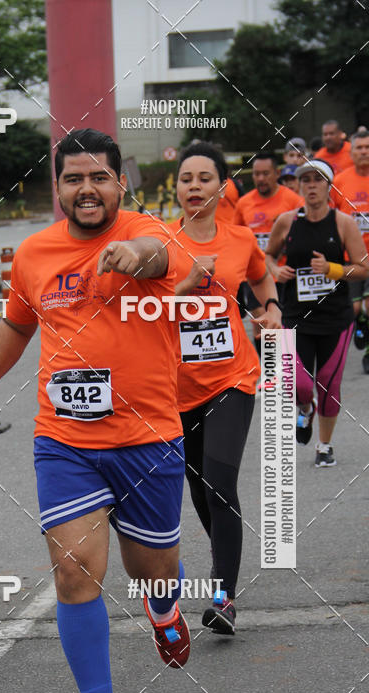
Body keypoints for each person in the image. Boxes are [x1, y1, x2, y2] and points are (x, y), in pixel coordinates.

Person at [0, 129, 188, 693]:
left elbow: (153, 256)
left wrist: (127, 257)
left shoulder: (156, 232)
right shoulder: (35, 252)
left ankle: (164, 609)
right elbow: (17, 323)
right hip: (65, 442)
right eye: (72, 179)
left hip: (147, 440)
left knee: (151, 571)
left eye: (99, 178)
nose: (86, 189)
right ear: (56, 187)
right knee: (72, 571)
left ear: (122, 183)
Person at [167, 142, 282, 637]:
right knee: (198, 488)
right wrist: (183, 286)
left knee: (219, 481)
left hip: (233, 377)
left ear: (221, 187)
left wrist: (272, 306)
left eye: (204, 178)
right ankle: (225, 563)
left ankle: (223, 597)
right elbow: (139, 310)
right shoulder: (159, 244)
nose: (194, 185)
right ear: (176, 189)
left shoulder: (238, 239)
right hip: (176, 388)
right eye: (186, 178)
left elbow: (259, 275)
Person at [265, 160, 368, 466]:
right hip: (293, 316)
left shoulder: (343, 222)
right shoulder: (286, 222)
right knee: (299, 384)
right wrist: (275, 269)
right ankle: (305, 409)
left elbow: (363, 267)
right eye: (305, 179)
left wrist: (333, 269)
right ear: (298, 186)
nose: (311, 185)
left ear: (329, 186)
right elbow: (268, 255)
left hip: (335, 318)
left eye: (318, 179)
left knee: (327, 382)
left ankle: (324, 445)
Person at [233, 151, 302, 355]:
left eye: (265, 173)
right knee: (262, 321)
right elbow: (235, 238)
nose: (260, 179)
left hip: (285, 274)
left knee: (280, 324)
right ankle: (273, 372)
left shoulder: (293, 201)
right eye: (256, 174)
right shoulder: (244, 203)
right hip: (255, 275)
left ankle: (282, 373)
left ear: (276, 173)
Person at [332, 127, 369, 372]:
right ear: (351, 152)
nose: (364, 152)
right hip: (352, 257)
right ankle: (362, 324)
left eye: (368, 148)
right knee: (356, 308)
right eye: (359, 148)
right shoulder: (340, 181)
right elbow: (332, 215)